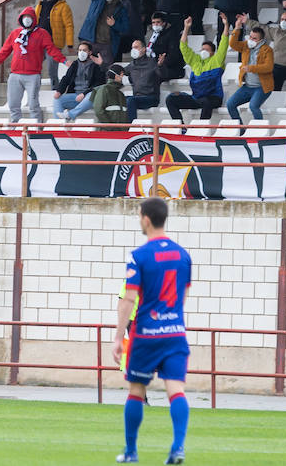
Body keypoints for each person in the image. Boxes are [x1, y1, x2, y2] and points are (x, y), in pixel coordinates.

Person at [113, 198, 191, 464]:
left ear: (146, 218)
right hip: (175, 332)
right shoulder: (183, 255)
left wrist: (117, 336)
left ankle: (131, 452)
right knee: (176, 391)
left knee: (136, 391)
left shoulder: (139, 256)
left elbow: (129, 298)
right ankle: (178, 448)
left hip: (146, 334)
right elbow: (184, 295)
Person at [0, 7, 68, 123]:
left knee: (33, 104)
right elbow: (4, 51)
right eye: (24, 17)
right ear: (21, 19)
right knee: (13, 104)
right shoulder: (15, 34)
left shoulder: (42, 33)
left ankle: (36, 127)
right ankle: (15, 126)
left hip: (32, 75)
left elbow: (51, 50)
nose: (27, 20)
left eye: (30, 17)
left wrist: (64, 61)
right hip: (15, 75)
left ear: (34, 19)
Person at [165, 16, 231, 129]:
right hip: (197, 98)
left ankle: (200, 129)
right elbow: (183, 47)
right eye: (202, 49)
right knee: (170, 99)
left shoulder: (217, 60)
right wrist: (186, 28)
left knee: (206, 102)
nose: (203, 51)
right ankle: (181, 127)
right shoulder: (195, 60)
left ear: (213, 52)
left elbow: (224, 43)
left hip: (213, 98)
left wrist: (226, 25)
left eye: (206, 50)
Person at [79, 0, 129, 65]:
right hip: (91, 42)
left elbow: (125, 28)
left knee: (106, 69)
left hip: (107, 45)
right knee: (87, 68)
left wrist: (114, 24)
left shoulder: (121, 8)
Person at [227, 18, 275, 124]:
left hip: (262, 87)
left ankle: (260, 130)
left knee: (253, 106)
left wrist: (251, 68)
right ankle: (239, 129)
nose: (251, 40)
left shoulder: (267, 50)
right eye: (250, 37)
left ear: (261, 40)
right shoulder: (245, 46)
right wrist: (237, 28)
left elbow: (269, 67)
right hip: (247, 86)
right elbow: (232, 44)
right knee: (230, 104)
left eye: (254, 39)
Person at [35, 0, 75, 88]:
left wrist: (70, 44)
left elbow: (69, 25)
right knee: (35, 67)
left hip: (54, 44)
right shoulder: (40, 4)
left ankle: (55, 90)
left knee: (52, 71)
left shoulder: (63, 6)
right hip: (39, 43)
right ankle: (35, 89)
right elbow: (35, 21)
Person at [52, 42, 105, 122]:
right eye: (80, 50)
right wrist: (59, 91)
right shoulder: (75, 64)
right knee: (57, 99)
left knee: (92, 94)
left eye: (84, 50)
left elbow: (100, 84)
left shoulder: (95, 65)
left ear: (89, 52)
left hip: (89, 98)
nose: (81, 52)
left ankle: (70, 115)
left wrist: (101, 65)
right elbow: (66, 79)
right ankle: (58, 125)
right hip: (76, 97)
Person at [123, 37, 162, 122]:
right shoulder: (132, 65)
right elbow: (118, 72)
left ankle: (131, 127)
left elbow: (161, 75)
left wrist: (160, 66)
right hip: (137, 97)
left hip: (151, 98)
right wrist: (103, 64)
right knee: (120, 99)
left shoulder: (152, 62)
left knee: (131, 100)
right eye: (133, 48)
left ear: (144, 49)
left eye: (136, 47)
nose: (134, 50)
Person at [146, 11, 185, 82]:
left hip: (172, 69)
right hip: (159, 66)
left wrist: (160, 64)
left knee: (150, 76)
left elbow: (174, 56)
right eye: (153, 22)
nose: (155, 25)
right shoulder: (155, 36)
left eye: (158, 22)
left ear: (164, 23)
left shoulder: (173, 35)